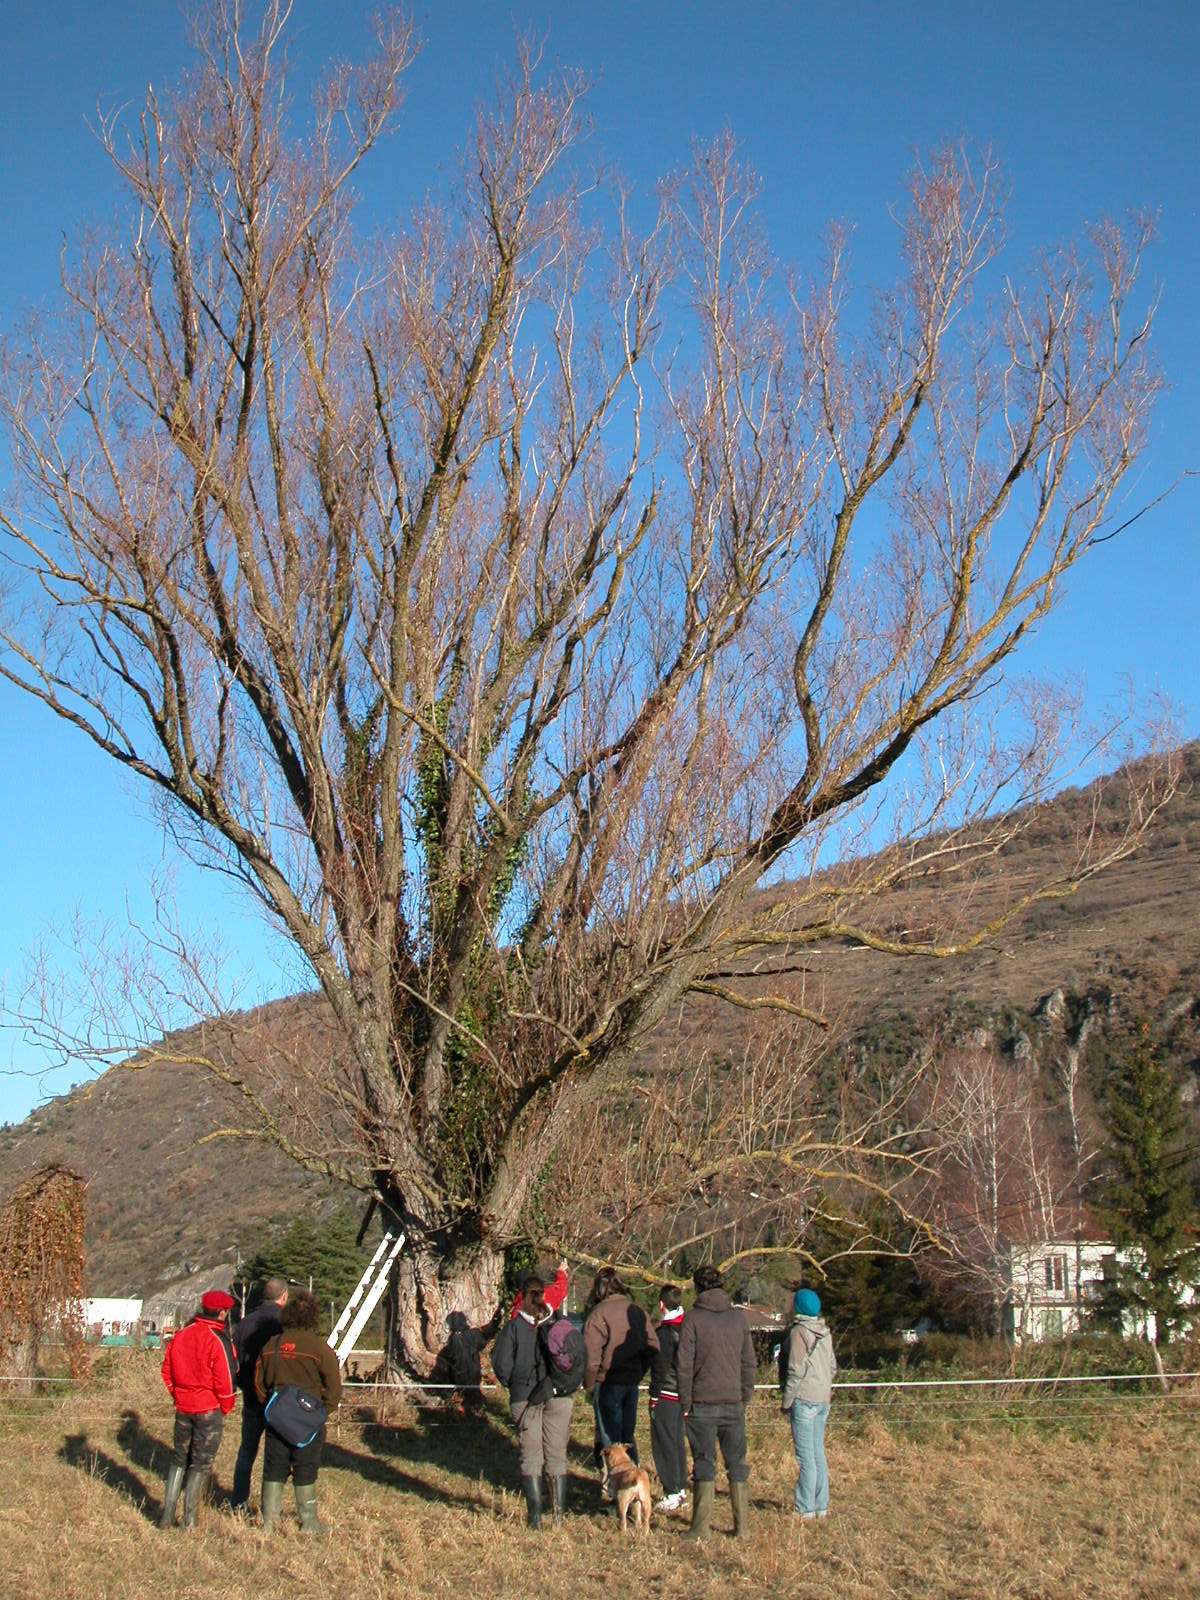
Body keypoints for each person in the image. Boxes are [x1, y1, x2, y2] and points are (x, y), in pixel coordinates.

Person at [676, 1264, 756, 1541]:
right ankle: (742, 1528)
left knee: (704, 1462)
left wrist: (685, 1401)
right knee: (737, 1463)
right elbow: (749, 1362)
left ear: (697, 1288)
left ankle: (700, 1528)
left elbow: (683, 1366)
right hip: (733, 1401)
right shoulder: (738, 1319)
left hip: (702, 1403)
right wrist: (745, 1395)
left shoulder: (692, 1320)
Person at [254, 1287, 343, 1534]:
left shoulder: (272, 1345)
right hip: (308, 1420)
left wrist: (270, 1408)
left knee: (274, 1467)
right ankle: (309, 1523)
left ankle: (269, 1524)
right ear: (313, 1317)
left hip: (277, 1419)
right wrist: (322, 1412)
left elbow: (259, 1383)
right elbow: (334, 1386)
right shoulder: (318, 1348)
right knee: (305, 1468)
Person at [491, 1279, 573, 1528]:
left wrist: (513, 1384)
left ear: (523, 1296)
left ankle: (535, 1519)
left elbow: (501, 1364)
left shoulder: (514, 1328)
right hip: (558, 1395)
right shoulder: (557, 1323)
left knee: (531, 1457)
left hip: (525, 1397)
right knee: (557, 1456)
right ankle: (559, 1519)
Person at [159, 1288, 238, 1529]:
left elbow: (167, 1371)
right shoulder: (216, 1339)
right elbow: (226, 1378)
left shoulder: (182, 1335)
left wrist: (179, 1395)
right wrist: (225, 1406)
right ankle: (190, 1519)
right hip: (208, 1409)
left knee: (179, 1459)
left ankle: (166, 1516)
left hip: (183, 1408)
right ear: (222, 1313)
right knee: (200, 1464)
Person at [583, 1266, 659, 1485]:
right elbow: (653, 1346)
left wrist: (589, 1383)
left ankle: (614, 1489)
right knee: (628, 1438)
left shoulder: (598, 1314)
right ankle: (635, 1482)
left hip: (607, 1383)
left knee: (611, 1443)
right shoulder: (637, 1312)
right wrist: (640, 1370)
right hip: (631, 1382)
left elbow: (591, 1356)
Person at [229, 1275, 289, 1512]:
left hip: (251, 1398)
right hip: (278, 1399)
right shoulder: (284, 1324)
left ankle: (238, 1502)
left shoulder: (244, 1323)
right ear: (284, 1297)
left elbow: (236, 1359)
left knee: (246, 1452)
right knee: (273, 1458)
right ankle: (269, 1510)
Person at [780, 1287, 837, 1520]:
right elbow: (832, 1367)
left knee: (805, 1458)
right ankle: (821, 1505)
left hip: (804, 1399)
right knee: (818, 1454)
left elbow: (795, 1369)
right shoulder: (825, 1332)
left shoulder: (799, 1333)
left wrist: (787, 1400)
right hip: (824, 1398)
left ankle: (804, 1508)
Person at [649, 1283, 688, 1512]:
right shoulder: (687, 1327)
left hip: (666, 1393)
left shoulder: (665, 1333)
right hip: (682, 1393)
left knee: (663, 1444)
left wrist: (653, 1396)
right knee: (676, 1443)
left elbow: (660, 1369)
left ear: (662, 1304)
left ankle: (671, 1491)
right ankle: (680, 1488)